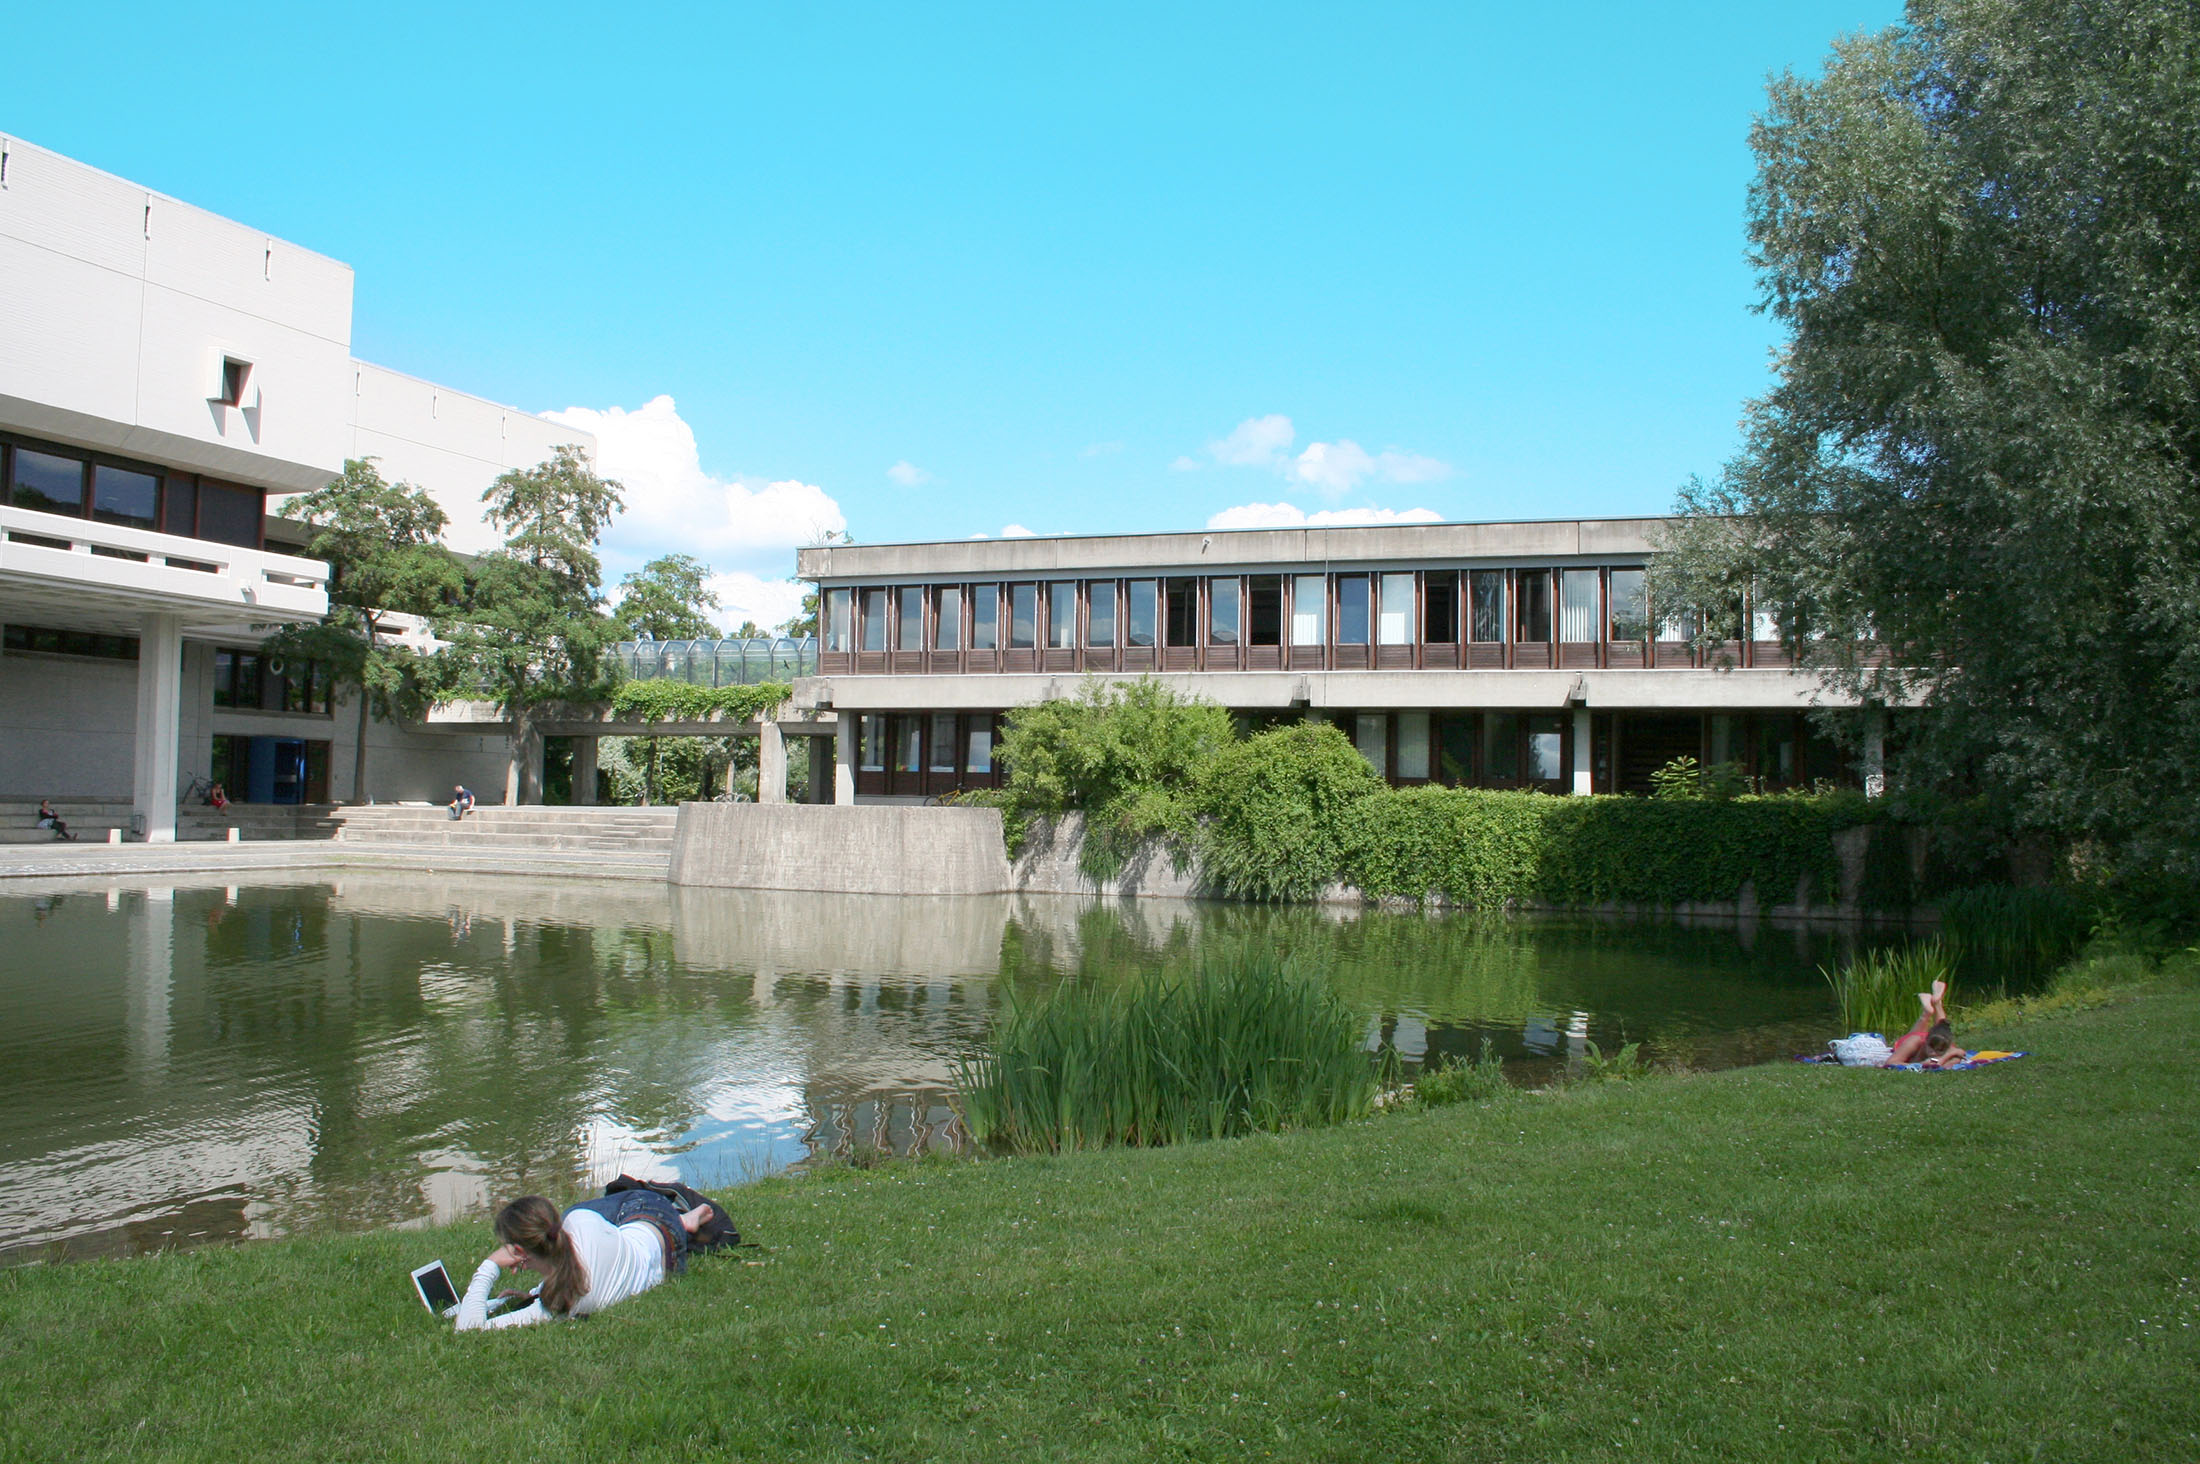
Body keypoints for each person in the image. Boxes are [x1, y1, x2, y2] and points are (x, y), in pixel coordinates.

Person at [454, 1192, 714, 1330]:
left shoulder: (562, 1305)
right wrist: (536, 1293)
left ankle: (685, 1219)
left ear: (520, 1251)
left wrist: (489, 1266)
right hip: (655, 1222)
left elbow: (469, 1330)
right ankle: (683, 1218)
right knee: (586, 1208)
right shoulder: (578, 1221)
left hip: (661, 1236)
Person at [1883, 979, 1968, 1068]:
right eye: (1931, 1047)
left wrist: (1945, 1057)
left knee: (1942, 1027)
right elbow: (1890, 1062)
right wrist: (1923, 1064)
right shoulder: (1914, 1042)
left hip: (1937, 1037)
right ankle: (1931, 1009)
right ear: (1926, 1042)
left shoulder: (1947, 1046)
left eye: (1939, 1050)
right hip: (1917, 1038)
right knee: (1915, 1035)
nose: (1933, 1053)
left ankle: (1933, 1006)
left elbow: (1947, 1065)